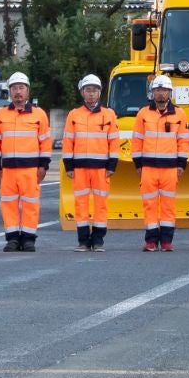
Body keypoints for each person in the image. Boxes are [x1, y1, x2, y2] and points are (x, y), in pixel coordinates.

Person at [0, 71, 51, 252]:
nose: (18, 92)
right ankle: (13, 239)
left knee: (31, 204)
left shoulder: (39, 115)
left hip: (31, 170)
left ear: (28, 91)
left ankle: (29, 239)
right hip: (8, 171)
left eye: (21, 88)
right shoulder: (0, 115)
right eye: (14, 88)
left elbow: (45, 142)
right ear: (9, 91)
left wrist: (43, 166)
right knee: (9, 205)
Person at [132, 74, 189, 251]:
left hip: (170, 169)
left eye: (164, 90)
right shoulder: (143, 114)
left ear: (170, 92)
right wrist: (138, 164)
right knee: (149, 205)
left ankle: (166, 241)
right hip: (149, 168)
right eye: (157, 90)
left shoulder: (179, 114)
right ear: (152, 92)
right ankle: (150, 241)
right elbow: (137, 140)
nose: (161, 93)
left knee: (168, 206)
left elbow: (183, 141)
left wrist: (181, 164)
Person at [62, 73, 119, 252]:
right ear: (82, 92)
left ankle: (98, 240)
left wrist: (112, 165)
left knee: (101, 204)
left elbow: (114, 142)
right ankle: (83, 241)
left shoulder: (109, 115)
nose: (91, 94)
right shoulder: (74, 115)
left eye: (94, 90)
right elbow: (67, 142)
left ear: (100, 93)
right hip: (79, 169)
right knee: (81, 204)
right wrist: (69, 166)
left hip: (102, 169)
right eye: (88, 90)